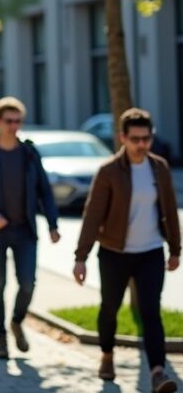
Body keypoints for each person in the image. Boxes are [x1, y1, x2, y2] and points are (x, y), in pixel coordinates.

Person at [73, 108, 180, 390]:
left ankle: (158, 372)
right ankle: (107, 355)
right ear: (122, 138)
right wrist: (80, 257)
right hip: (114, 253)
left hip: (150, 252)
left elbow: (169, 208)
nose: (142, 145)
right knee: (110, 308)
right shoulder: (109, 171)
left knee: (151, 313)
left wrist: (175, 249)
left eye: (146, 138)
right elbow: (93, 214)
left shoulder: (159, 167)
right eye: (136, 139)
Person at [0, 96, 61, 360]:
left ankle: (17, 321)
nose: (14, 126)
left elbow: (44, 191)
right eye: (9, 121)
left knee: (28, 283)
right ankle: (1, 338)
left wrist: (53, 224)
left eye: (18, 121)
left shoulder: (29, 153)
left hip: (25, 230)